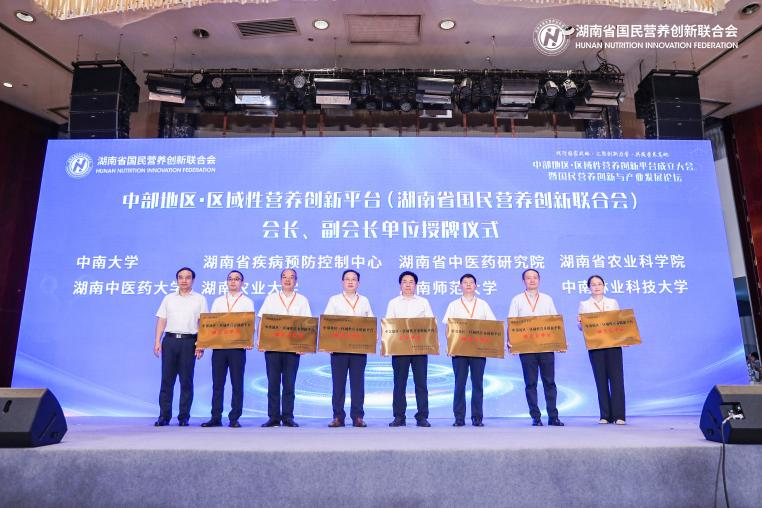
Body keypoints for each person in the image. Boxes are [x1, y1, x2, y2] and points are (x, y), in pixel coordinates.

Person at [508, 268, 564, 427]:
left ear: (539, 280)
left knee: (549, 382)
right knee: (530, 383)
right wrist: (511, 342)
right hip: (526, 348)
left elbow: (554, 322)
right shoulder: (517, 300)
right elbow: (512, 322)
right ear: (523, 281)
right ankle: (536, 417)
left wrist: (559, 342)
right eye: (528, 278)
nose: (532, 280)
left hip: (546, 347)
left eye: (535, 277)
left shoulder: (547, 299)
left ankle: (553, 416)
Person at [153, 267, 208, 427]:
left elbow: (203, 323)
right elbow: (162, 320)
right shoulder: (169, 298)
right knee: (166, 381)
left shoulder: (200, 299)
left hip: (189, 342)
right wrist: (157, 341)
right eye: (181, 277)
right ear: (177, 280)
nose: (184, 280)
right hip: (170, 341)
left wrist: (201, 344)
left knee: (186, 381)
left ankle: (184, 417)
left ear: (193, 280)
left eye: (187, 277)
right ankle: (164, 416)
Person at [199, 270, 255, 428]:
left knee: (237, 384)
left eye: (237, 279)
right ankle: (215, 417)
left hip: (237, 348)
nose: (233, 282)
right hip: (219, 348)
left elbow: (250, 324)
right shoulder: (218, 301)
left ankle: (234, 418)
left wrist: (249, 340)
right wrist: (205, 342)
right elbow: (211, 324)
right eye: (230, 279)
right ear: (227, 282)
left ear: (242, 283)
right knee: (217, 384)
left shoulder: (247, 301)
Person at [257, 268, 312, 427]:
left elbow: (307, 324)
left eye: (291, 277)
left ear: (296, 281)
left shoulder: (302, 300)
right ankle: (273, 417)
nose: (288, 280)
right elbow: (263, 320)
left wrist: (304, 346)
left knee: (289, 383)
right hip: (273, 347)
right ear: (280, 280)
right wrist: (260, 340)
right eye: (284, 277)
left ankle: (288, 417)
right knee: (273, 383)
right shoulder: (271, 298)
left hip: (293, 349)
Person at [442, 273, 496, 427]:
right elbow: (448, 327)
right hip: (459, 350)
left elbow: (492, 326)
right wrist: (450, 346)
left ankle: (477, 417)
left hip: (479, 350)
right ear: (460, 286)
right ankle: (459, 417)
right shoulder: (453, 305)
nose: (468, 285)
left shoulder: (483, 304)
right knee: (459, 384)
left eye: (471, 282)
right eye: (465, 282)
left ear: (476, 286)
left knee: (477, 384)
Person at [323, 269, 374, 428]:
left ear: (358, 283)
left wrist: (372, 338)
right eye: (347, 279)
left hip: (359, 349)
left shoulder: (364, 300)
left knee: (358, 384)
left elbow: (370, 322)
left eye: (354, 279)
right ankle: (338, 417)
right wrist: (328, 344)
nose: (350, 282)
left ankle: (358, 416)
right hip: (338, 349)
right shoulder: (334, 300)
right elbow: (327, 323)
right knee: (338, 384)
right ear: (342, 282)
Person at [385, 271, 434, 427]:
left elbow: (430, 324)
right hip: (400, 348)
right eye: (405, 282)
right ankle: (399, 416)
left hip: (420, 348)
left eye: (411, 282)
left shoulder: (423, 302)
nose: (408, 284)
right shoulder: (393, 303)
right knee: (399, 383)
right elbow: (389, 325)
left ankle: (422, 416)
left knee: (421, 383)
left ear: (416, 285)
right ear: (400, 285)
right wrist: (387, 346)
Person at [578, 275, 626, 425]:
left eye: (599, 284)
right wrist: (580, 323)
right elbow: (582, 327)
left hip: (613, 345)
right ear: (589, 288)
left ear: (604, 286)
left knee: (617, 380)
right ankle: (605, 415)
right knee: (601, 380)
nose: (597, 287)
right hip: (596, 346)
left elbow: (619, 323)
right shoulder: (584, 304)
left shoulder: (612, 302)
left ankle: (619, 416)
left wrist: (625, 339)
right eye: (593, 284)